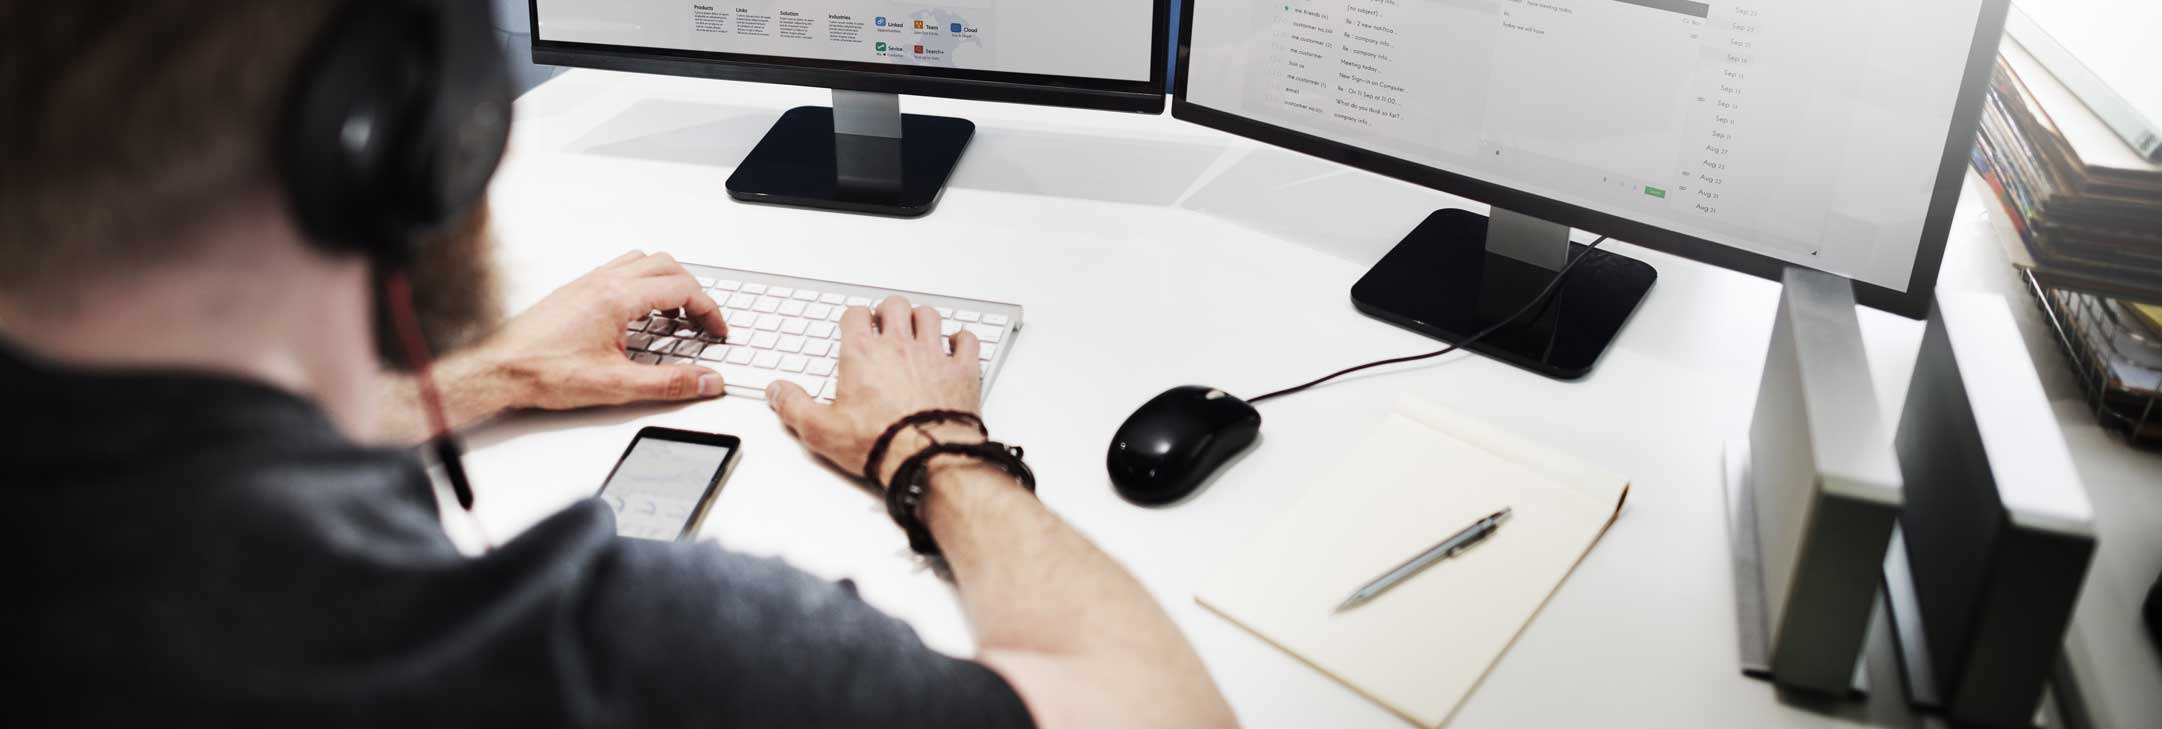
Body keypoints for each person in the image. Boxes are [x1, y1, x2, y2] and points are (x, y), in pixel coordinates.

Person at [0, 2, 1237, 727]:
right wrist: (934, 448)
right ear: (414, 145)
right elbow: (1153, 711)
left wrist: (479, 379)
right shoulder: (596, 664)